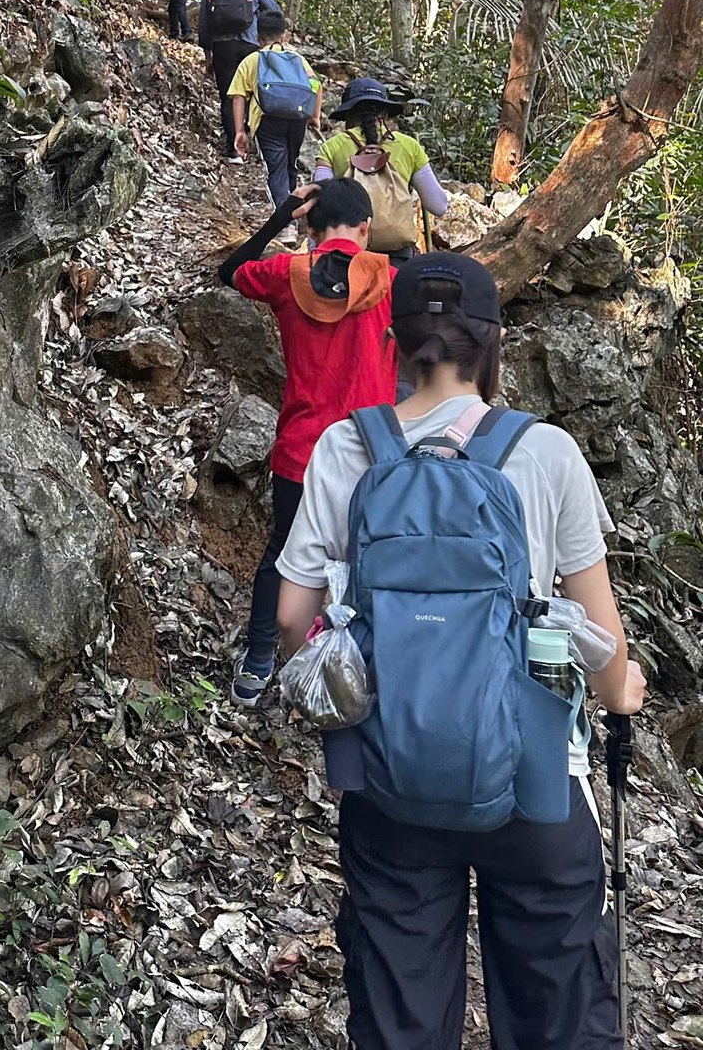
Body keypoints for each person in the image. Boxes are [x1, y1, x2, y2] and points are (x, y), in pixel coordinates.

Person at [277, 252, 646, 1050]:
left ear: (393, 344)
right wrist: (623, 689)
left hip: (390, 782)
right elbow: (603, 645)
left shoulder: (347, 447)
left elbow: (291, 616)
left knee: (401, 1021)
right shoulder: (546, 451)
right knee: (561, 1017)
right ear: (494, 342)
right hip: (537, 786)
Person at [218, 179, 396, 706]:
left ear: (311, 230)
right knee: (369, 562)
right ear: (366, 227)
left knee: (283, 554)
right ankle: (356, 672)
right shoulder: (392, 281)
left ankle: (258, 664)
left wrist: (279, 218)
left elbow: (230, 271)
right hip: (373, 453)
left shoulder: (286, 273)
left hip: (302, 449)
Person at [313, 76, 448, 258]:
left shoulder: (332, 147)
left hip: (347, 257)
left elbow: (318, 204)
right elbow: (438, 206)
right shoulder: (409, 146)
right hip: (398, 257)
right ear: (384, 114)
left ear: (348, 115)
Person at [229, 11, 322, 209]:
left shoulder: (252, 60)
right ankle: (292, 209)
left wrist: (239, 131)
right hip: (297, 118)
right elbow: (316, 85)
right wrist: (315, 116)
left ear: (257, 37)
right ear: (283, 37)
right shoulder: (298, 59)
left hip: (267, 120)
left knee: (276, 170)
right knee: (291, 165)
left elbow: (238, 96)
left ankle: (285, 219)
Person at [199, 0, 280, 161]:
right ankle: (258, 144)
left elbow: (204, 28)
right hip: (250, 47)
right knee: (255, 94)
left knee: (229, 96)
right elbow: (275, 11)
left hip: (223, 49)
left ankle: (235, 149)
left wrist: (208, 59)